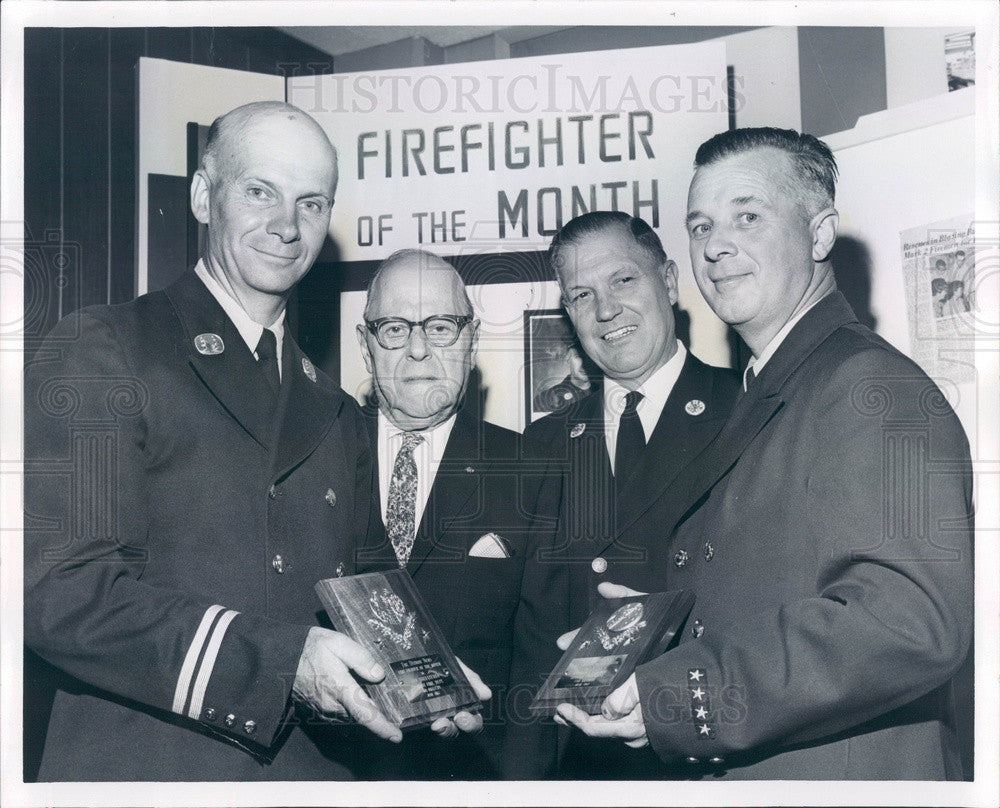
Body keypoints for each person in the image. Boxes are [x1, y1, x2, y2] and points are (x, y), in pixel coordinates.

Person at [23, 101, 483, 782]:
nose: (287, 226)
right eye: (260, 191)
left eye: (310, 202)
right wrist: (278, 664)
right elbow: (58, 590)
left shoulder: (330, 406)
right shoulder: (110, 348)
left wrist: (424, 676)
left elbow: (373, 599)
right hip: (149, 773)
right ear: (205, 196)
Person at [555, 127, 974, 780]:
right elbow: (767, 593)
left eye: (747, 216)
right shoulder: (773, 388)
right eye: (700, 227)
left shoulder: (868, 385)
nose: (716, 246)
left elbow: (911, 621)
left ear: (820, 232)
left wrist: (683, 693)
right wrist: (645, 639)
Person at [523, 211, 739, 777]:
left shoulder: (744, 410)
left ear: (668, 280)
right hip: (578, 766)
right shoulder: (543, 442)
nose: (605, 310)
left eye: (623, 280)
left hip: (705, 756)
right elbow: (528, 627)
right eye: (581, 295)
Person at [353, 249, 566, 779]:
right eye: (395, 329)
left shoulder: (531, 472)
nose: (420, 350)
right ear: (366, 345)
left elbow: (542, 668)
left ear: (471, 340)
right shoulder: (315, 458)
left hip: (471, 774)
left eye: (442, 326)